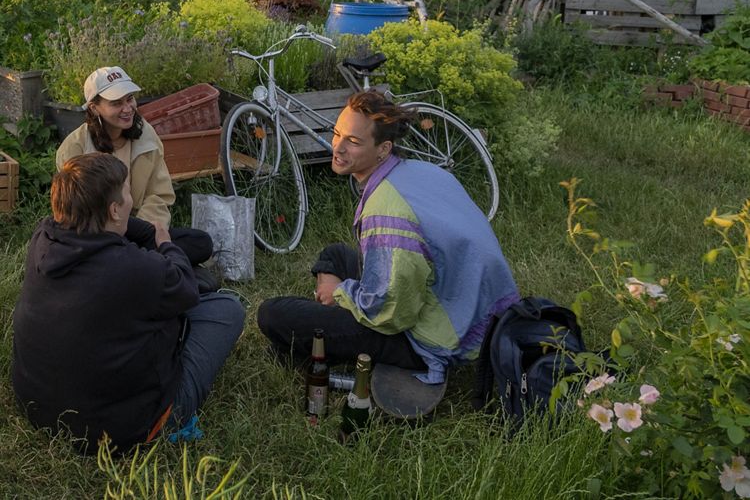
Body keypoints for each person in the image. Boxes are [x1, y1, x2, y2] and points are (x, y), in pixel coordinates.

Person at [257, 90, 519, 385]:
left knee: (272, 314)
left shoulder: (387, 211)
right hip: (468, 308)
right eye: (337, 134)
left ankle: (315, 339)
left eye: (353, 142)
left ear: (383, 149)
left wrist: (341, 292)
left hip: (433, 337)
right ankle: (321, 326)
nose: (338, 147)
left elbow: (392, 313)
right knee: (335, 254)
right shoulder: (424, 171)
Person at [12, 153, 245, 454]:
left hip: (38, 407)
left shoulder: (43, 238)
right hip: (123, 429)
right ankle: (169, 415)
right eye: (126, 191)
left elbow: (119, 234)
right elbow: (186, 289)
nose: (131, 197)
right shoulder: (133, 268)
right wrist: (166, 244)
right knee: (226, 308)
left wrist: (129, 227)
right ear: (112, 209)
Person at [56, 66, 211, 268]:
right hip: (95, 237)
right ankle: (144, 266)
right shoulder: (74, 148)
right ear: (94, 108)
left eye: (130, 99)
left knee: (200, 242)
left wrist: (143, 231)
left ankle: (137, 263)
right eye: (116, 103)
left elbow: (159, 195)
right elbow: (74, 213)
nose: (128, 108)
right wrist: (114, 237)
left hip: (140, 230)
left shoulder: (146, 135)